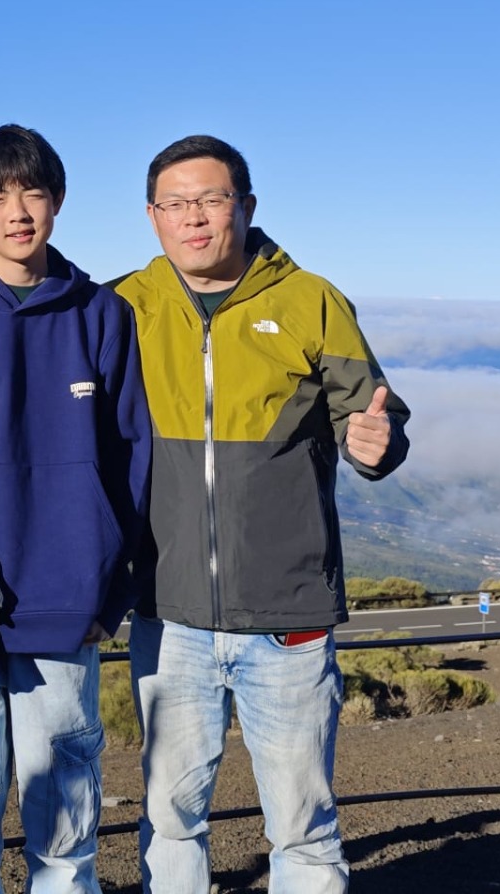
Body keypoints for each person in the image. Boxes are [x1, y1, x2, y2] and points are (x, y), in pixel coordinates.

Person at [109, 135, 410, 894]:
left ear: (245, 205)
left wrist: (377, 443)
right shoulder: (122, 306)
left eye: (212, 199)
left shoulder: (309, 300)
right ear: (153, 217)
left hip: (288, 617)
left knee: (303, 831)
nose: (195, 218)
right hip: (168, 614)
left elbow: (371, 415)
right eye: (176, 204)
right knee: (169, 821)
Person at [0, 125, 151, 894]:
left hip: (68, 607)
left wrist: (109, 595)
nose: (17, 211)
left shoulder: (102, 316)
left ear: (58, 201)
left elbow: (131, 459)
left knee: (65, 823)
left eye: (33, 191)